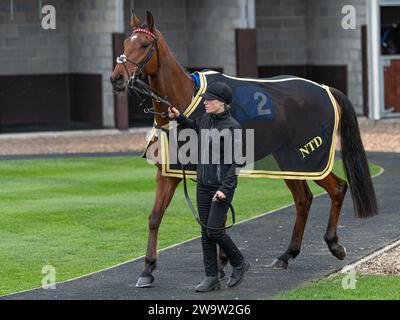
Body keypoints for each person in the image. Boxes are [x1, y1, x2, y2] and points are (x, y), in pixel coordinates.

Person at [168, 82, 250, 292]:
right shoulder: (205, 120)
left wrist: (224, 189)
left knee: (214, 231)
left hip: (222, 187)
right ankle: (211, 276)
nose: (205, 102)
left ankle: (239, 262)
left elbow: (238, 162)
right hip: (203, 185)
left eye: (209, 99)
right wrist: (179, 117)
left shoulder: (233, 127)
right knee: (205, 232)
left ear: (221, 103)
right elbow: (194, 128)